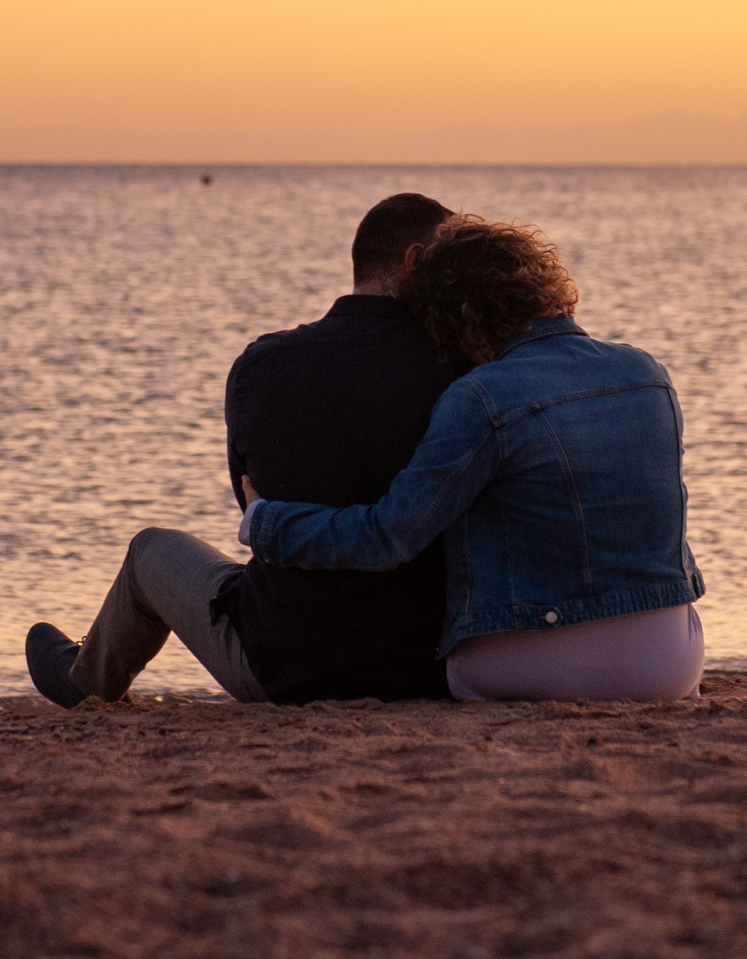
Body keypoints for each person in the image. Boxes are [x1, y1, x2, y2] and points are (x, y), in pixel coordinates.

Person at [240, 215, 706, 702]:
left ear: (452, 316)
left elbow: (390, 537)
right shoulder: (648, 372)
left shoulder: (482, 396)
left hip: (541, 665)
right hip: (672, 661)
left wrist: (266, 522)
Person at [25, 193, 462, 707]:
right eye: (455, 264)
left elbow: (251, 505)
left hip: (283, 670)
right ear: (414, 260)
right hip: (433, 668)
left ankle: (84, 681)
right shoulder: (466, 373)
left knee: (151, 551)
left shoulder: (264, 365)